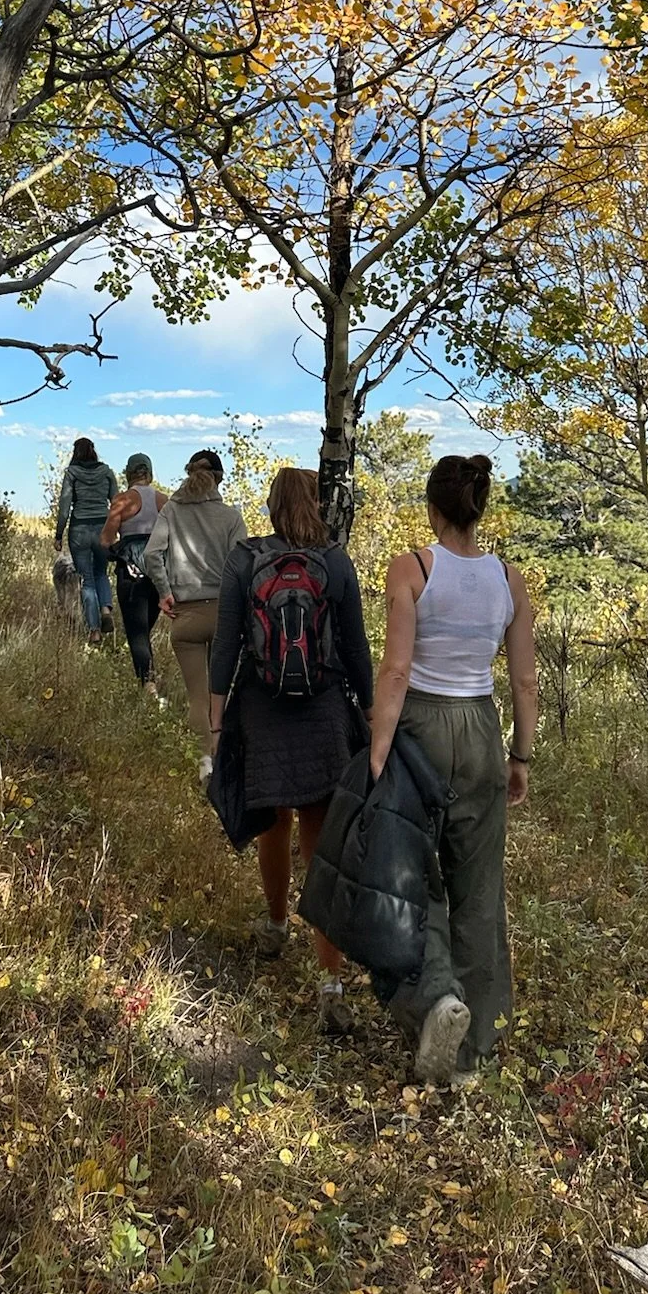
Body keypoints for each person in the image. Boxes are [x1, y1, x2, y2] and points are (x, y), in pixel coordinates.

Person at [367, 452, 537, 1085]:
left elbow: (396, 671)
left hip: (418, 731)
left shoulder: (410, 570)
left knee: (411, 876)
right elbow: (524, 678)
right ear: (479, 507)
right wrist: (519, 755)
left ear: (433, 508)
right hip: (481, 728)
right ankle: (473, 1050)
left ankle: (436, 999)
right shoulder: (509, 580)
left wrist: (379, 752)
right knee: (479, 888)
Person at [209, 467, 373, 1031]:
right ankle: (330, 980)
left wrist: (215, 716)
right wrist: (372, 713)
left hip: (262, 707)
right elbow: (356, 646)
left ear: (273, 506)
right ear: (316, 506)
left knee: (272, 821)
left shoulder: (245, 559)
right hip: (323, 710)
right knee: (319, 835)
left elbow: (227, 639)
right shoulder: (335, 562)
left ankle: (276, 926)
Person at [143, 449, 246, 776]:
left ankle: (204, 766)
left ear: (189, 475)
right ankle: (227, 763)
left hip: (185, 617)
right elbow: (240, 566)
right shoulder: (231, 517)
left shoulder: (172, 511)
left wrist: (165, 592)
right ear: (219, 478)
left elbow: (151, 555)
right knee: (223, 693)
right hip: (224, 616)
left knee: (197, 697)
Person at [99, 453, 168, 688]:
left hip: (131, 575)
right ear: (150, 473)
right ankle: (149, 677)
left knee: (137, 633)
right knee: (145, 630)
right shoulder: (164, 501)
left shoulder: (121, 501)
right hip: (160, 575)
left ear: (128, 474)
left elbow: (106, 540)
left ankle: (148, 687)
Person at [54, 437, 119, 643]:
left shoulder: (71, 474)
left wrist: (58, 534)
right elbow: (116, 502)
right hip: (103, 526)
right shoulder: (107, 472)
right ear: (93, 451)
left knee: (86, 579)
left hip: (80, 528)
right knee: (101, 572)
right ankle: (106, 609)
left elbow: (65, 504)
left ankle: (94, 630)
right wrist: (116, 530)